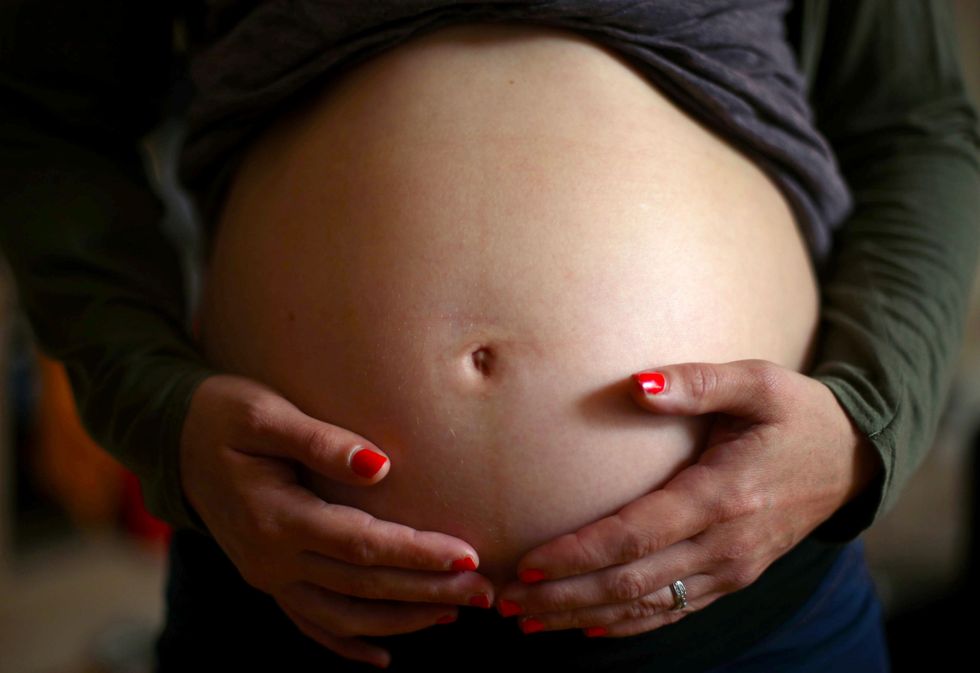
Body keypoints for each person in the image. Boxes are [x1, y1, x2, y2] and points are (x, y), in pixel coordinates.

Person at [0, 2, 976, 672]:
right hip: (290, 600)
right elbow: (49, 121)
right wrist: (156, 408)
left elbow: (915, 123)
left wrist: (860, 424)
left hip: (738, 609)